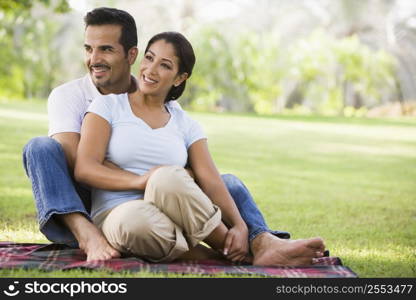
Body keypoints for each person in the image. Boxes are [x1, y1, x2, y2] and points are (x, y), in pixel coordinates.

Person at [22, 7, 324, 265]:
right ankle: (91, 235)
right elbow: (81, 163)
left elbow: (206, 176)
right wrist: (148, 178)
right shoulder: (81, 99)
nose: (94, 59)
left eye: (105, 49)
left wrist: (173, 178)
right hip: (89, 195)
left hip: (172, 196)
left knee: (225, 182)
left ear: (131, 55)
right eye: (88, 48)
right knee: (41, 148)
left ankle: (260, 241)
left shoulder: (176, 114)